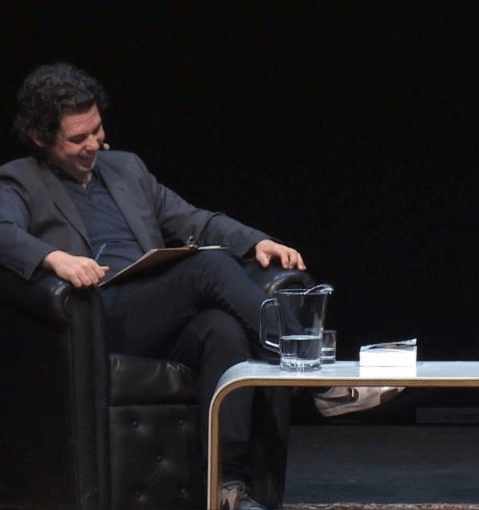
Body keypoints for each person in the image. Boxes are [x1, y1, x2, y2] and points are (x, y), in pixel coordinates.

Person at [0, 62, 397, 510]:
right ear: (40, 137)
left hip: (152, 311)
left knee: (220, 331)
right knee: (206, 268)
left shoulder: (126, 168)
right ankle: (319, 380)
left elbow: (192, 219)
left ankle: (226, 486)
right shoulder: (21, 180)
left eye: (97, 130)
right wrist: (55, 258)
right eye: (78, 139)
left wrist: (256, 241)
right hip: (97, 319)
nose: (93, 144)